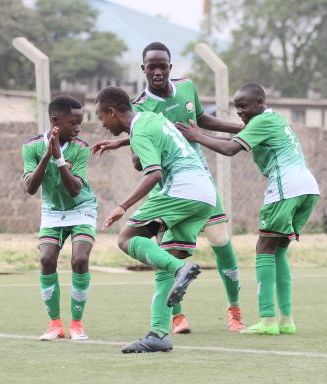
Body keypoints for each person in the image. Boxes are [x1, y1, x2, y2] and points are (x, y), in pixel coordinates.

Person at [91, 42, 245, 333]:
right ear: (143, 69)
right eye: (152, 66)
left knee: (219, 242)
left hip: (185, 181)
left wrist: (241, 127)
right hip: (180, 183)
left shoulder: (186, 87)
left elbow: (197, 122)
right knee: (168, 249)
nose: (158, 71)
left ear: (171, 67)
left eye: (163, 66)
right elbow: (144, 145)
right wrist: (125, 144)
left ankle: (234, 310)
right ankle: (170, 323)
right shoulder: (140, 107)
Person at [176, 83, 320, 336]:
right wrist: (200, 132)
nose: (239, 111)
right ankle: (286, 320)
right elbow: (233, 139)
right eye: (236, 107)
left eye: (243, 106)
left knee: (263, 248)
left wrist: (196, 136)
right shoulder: (273, 119)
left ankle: (267, 319)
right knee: (278, 252)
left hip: (286, 187)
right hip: (307, 188)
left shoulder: (261, 122)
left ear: (260, 102)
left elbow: (230, 149)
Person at [95, 86, 216, 353]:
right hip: (205, 194)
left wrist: (121, 206)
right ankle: (159, 334)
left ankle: (180, 270)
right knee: (162, 258)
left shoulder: (140, 133)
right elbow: (153, 138)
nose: (102, 123)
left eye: (101, 116)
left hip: (181, 189)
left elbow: (153, 174)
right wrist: (121, 142)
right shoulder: (153, 118)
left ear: (112, 111)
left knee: (127, 238)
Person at [22, 96, 97, 341]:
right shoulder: (31, 147)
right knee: (46, 259)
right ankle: (55, 324)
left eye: (80, 122)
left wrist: (60, 159)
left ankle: (76, 323)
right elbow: (31, 188)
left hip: (81, 208)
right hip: (53, 211)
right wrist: (47, 155)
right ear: (55, 121)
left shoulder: (81, 147)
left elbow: (75, 189)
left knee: (80, 259)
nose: (78, 128)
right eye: (72, 123)